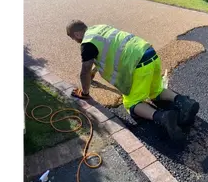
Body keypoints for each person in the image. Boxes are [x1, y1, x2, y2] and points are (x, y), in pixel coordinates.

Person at [66, 20, 199, 140]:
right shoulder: (100, 28)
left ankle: (163, 117)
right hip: (150, 54)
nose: (76, 41)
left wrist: (85, 93)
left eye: (73, 38)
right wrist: (94, 72)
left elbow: (85, 71)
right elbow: (106, 51)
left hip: (137, 64)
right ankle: (183, 101)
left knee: (131, 103)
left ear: (77, 34)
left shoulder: (87, 44)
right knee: (155, 91)